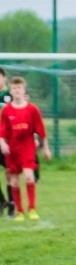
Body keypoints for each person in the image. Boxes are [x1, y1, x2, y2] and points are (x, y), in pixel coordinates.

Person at [0, 76, 51, 221]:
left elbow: (41, 131)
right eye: (14, 88)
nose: (17, 91)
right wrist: (2, 143)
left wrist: (46, 148)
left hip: (27, 147)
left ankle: (32, 209)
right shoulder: (6, 110)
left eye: (19, 88)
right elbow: (2, 130)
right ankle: (20, 211)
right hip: (12, 149)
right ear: (10, 91)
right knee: (14, 180)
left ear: (24, 91)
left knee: (29, 176)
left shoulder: (32, 109)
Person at [0, 67, 12, 217]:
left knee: (10, 173)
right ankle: (2, 201)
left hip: (8, 141)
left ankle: (12, 206)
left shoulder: (11, 95)